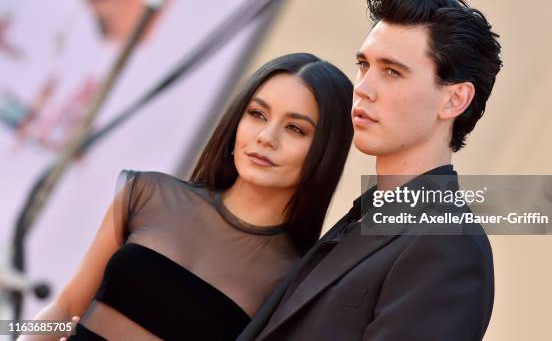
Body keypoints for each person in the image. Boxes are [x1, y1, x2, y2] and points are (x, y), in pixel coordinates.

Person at [237, 0, 502, 340]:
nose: (363, 89)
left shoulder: (449, 247)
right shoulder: (366, 215)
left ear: (454, 99)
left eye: (392, 72)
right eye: (364, 65)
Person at [20, 52, 354, 340]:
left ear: (325, 151)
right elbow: (65, 306)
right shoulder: (145, 196)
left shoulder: (294, 279)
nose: (267, 137)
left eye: (296, 129)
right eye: (257, 114)